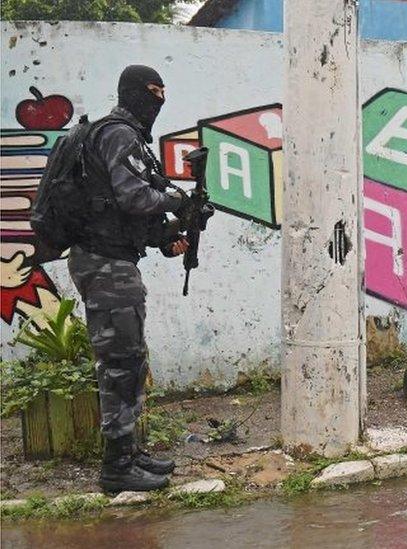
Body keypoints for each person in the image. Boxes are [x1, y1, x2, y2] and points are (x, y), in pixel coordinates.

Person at [69, 65, 194, 492]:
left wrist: (164, 236)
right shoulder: (119, 133)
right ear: (134, 93)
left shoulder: (122, 135)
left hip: (112, 260)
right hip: (105, 264)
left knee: (129, 358)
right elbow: (133, 195)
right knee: (120, 364)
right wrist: (178, 200)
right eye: (154, 91)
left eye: (164, 91)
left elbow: (118, 205)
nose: (160, 98)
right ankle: (117, 467)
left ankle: (129, 455)